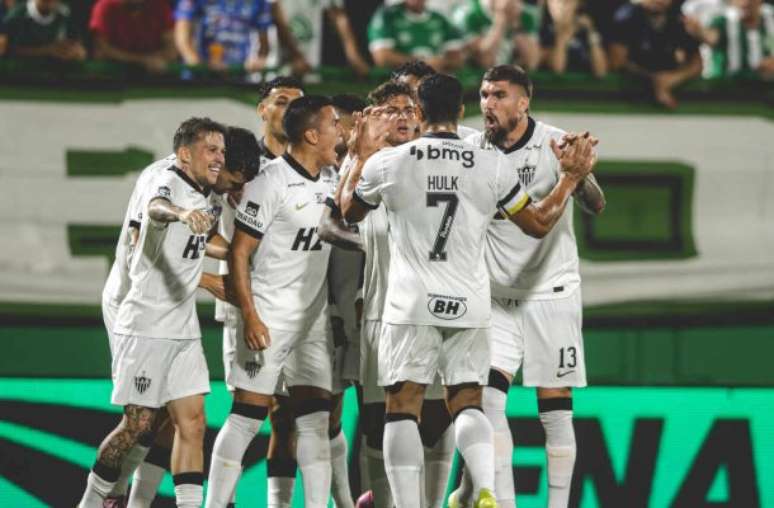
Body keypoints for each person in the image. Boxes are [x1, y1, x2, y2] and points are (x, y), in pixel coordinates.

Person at [339, 73, 596, 508]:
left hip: (411, 302)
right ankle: (485, 489)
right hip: (471, 303)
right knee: (468, 402)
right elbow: (537, 223)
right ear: (462, 111)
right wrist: (569, 179)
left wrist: (360, 156)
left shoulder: (391, 163)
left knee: (402, 405)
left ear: (419, 112)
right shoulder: (491, 164)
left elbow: (348, 211)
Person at [450, 64, 605, 508]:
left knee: (554, 411)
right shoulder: (473, 149)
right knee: (487, 401)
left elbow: (596, 204)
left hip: (551, 294)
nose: (488, 104)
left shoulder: (555, 144)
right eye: (484, 95)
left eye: (499, 95)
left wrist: (578, 174)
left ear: (524, 102)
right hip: (496, 299)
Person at [77, 117, 227, 508]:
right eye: (211, 150)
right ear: (185, 154)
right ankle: (93, 501)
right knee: (139, 424)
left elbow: (207, 240)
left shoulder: (208, 193)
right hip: (146, 322)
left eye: (222, 152)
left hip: (183, 327)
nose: (219, 159)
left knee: (192, 421)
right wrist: (180, 213)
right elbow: (156, 209)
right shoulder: (166, 181)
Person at [206, 95, 341, 508]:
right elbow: (239, 252)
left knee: (315, 419)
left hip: (312, 319)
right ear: (312, 135)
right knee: (247, 418)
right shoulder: (270, 182)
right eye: (334, 124)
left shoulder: (333, 179)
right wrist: (249, 315)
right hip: (269, 315)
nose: (341, 132)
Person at [608, 0, 703, 109]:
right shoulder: (626, 17)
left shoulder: (679, 20)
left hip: (673, 88)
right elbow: (617, 63)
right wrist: (655, 82)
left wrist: (673, 78)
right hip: (629, 91)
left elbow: (697, 64)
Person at [266, 0, 370, 78]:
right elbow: (276, 15)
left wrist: (353, 56)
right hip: (279, 63)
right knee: (277, 94)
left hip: (310, 64)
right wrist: (296, 56)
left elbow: (338, 15)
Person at [390, 59, 480, 140]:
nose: (412, 102)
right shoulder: (387, 141)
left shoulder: (470, 138)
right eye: (406, 93)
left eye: (423, 92)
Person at [174, 0, 272, 73]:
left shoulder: (259, 2)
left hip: (239, 75)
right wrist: (199, 66)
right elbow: (182, 37)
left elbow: (264, 45)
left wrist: (257, 62)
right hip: (200, 79)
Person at [368, 0, 464, 72]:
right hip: (397, 81)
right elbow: (382, 58)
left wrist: (441, 62)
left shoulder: (441, 19)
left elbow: (457, 59)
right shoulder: (387, 17)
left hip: (435, 81)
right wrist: (421, 64)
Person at [691, 0, 774, 80]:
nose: (745, 2)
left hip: (765, 84)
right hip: (726, 84)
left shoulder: (770, 18)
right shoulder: (724, 20)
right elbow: (711, 37)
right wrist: (699, 31)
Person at [88, 0, 178, 73]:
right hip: (113, 77)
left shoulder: (159, 6)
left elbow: (172, 49)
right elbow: (102, 49)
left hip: (155, 77)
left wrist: (155, 59)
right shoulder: (105, 6)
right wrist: (143, 61)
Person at [452, 0, 542, 70]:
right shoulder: (469, 14)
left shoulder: (525, 15)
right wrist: (501, 19)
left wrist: (515, 23)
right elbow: (485, 61)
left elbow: (531, 62)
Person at [1, 0, 86, 61]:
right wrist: (47, 51)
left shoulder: (65, 13)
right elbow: (6, 51)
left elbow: (78, 47)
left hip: (56, 75)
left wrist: (76, 52)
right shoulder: (16, 17)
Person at [541, 0, 607, 77]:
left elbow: (600, 71)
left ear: (578, 4)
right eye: (555, 1)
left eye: (567, 2)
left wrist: (591, 31)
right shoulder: (544, 31)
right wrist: (562, 40)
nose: (561, 6)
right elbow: (557, 69)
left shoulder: (584, 30)